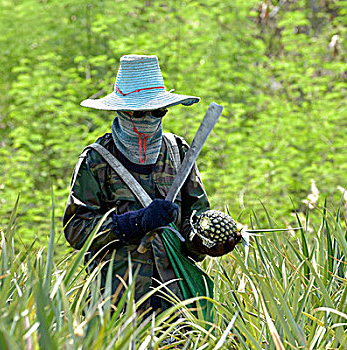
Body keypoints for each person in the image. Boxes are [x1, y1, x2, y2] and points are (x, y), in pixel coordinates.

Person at [63, 55, 241, 314]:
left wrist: (208, 240)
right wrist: (135, 223)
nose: (148, 119)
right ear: (121, 111)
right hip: (116, 305)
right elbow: (76, 230)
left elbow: (194, 220)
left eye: (156, 112)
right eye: (138, 112)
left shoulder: (179, 152)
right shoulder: (96, 160)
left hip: (176, 303)